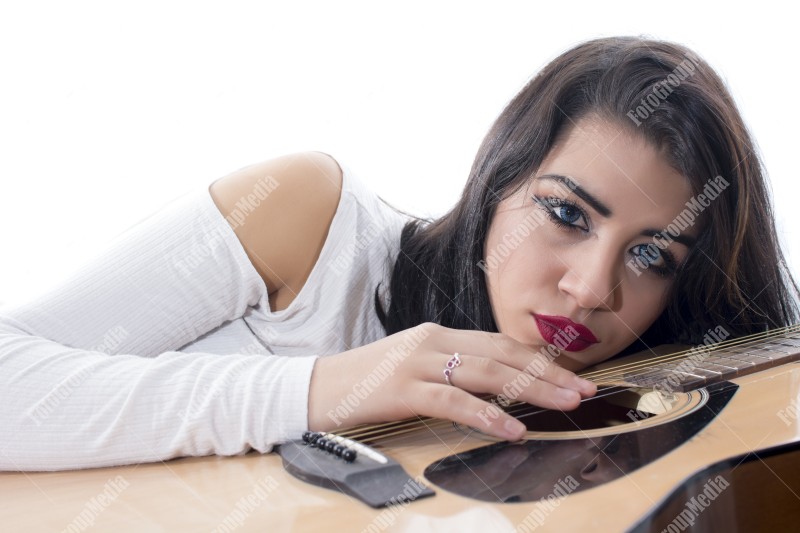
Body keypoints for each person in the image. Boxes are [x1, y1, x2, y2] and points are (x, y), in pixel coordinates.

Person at [1, 36, 797, 471]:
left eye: (652, 257)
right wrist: (320, 388)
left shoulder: (613, 432)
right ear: (496, 184)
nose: (591, 289)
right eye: (565, 213)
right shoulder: (312, 224)